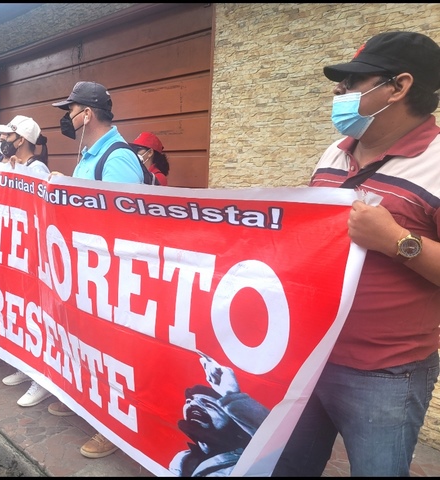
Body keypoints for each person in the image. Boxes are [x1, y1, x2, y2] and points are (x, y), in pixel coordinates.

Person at [272, 31, 440, 477]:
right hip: (311, 354)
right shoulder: (334, 153)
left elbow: (397, 242)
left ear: (399, 87)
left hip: (386, 372)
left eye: (352, 82)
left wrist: (397, 241)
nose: (338, 92)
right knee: (286, 468)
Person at [47, 80, 143, 459]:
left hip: (111, 275)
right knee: (87, 342)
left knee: (113, 349)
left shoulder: (117, 158)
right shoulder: (88, 156)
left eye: (70, 111)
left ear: (87, 114)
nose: (67, 118)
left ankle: (113, 427)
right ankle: (87, 402)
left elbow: (126, 225)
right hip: (87, 269)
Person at [0, 115, 53, 406]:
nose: (2, 140)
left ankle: (42, 379)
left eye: (7, 136)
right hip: (14, 251)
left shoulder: (37, 169)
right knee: (21, 313)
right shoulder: (8, 164)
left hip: (32, 255)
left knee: (36, 315)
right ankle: (26, 367)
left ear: (21, 140)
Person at [169, 354, 270, 476]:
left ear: (232, 416)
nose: (193, 404)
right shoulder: (181, 461)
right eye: (189, 401)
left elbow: (275, 437)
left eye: (207, 404)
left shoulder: (249, 458)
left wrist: (231, 395)